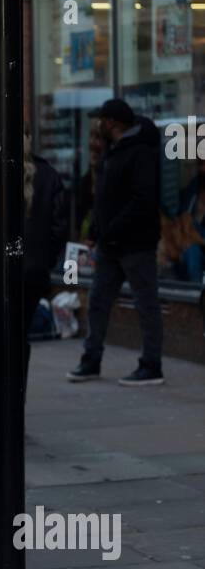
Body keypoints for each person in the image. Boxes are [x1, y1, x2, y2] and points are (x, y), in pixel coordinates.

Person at [67, 98, 164, 385]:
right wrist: (97, 231)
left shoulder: (141, 152)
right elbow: (104, 199)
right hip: (111, 246)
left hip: (136, 245)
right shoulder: (113, 151)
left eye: (101, 121)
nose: (99, 127)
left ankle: (151, 365)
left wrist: (111, 229)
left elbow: (143, 200)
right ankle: (91, 360)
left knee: (146, 304)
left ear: (111, 123)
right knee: (98, 302)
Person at [23, 125, 67, 392]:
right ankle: (17, 411)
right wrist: (44, 261)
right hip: (34, 273)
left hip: (0, 273)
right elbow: (59, 229)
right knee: (21, 339)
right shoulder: (49, 174)